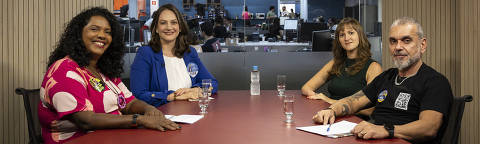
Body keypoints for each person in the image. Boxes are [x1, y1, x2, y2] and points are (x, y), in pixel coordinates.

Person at [38, 7, 180, 144]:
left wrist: (149, 109)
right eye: (94, 29)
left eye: (108, 32)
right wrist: (139, 119)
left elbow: (129, 103)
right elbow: (85, 120)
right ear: (79, 33)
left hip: (113, 137)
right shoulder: (64, 69)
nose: (102, 35)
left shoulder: (104, 71)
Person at [312, 17, 453, 143]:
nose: (398, 47)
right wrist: (331, 110)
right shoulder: (387, 77)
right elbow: (353, 101)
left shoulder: (435, 82)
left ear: (422, 45)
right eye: (393, 41)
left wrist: (386, 130)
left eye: (406, 40)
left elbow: (429, 127)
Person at [130, 4, 218, 107]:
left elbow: (212, 83)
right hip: (161, 117)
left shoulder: (189, 53)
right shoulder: (145, 54)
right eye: (163, 23)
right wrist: (172, 96)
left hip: (192, 115)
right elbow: (138, 95)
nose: (169, 27)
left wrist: (195, 90)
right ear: (156, 28)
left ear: (180, 27)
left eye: (174, 22)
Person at [301, 18, 382, 117]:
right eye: (342, 35)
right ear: (339, 40)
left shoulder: (373, 67)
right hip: (330, 114)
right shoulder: (336, 63)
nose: (346, 38)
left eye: (351, 33)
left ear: (360, 36)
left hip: (355, 120)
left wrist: (330, 102)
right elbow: (306, 88)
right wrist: (318, 97)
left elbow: (372, 109)